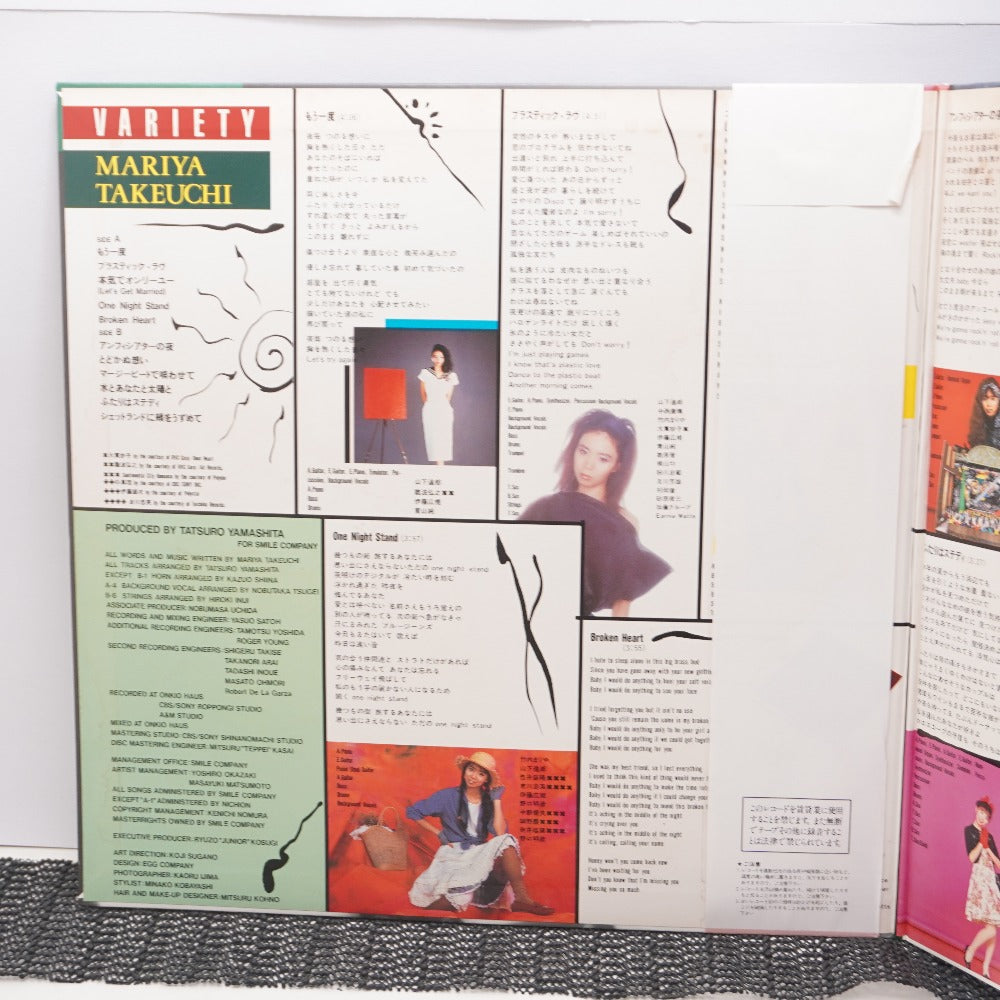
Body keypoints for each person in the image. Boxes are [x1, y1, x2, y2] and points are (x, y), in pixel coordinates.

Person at [518, 409, 671, 617]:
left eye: (603, 458)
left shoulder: (624, 523)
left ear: (616, 466)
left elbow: (622, 603)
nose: (588, 465)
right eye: (583, 451)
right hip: (536, 617)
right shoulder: (545, 508)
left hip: (583, 624)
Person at [405, 751, 554, 916]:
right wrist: (438, 832)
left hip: (478, 854)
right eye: (471, 769)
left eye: (481, 774)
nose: (474, 776)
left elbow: (500, 833)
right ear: (465, 770)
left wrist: (496, 800)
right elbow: (413, 811)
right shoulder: (447, 796)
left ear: (486, 780)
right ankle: (424, 915)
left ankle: (522, 899)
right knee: (456, 900)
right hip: (453, 853)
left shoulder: (488, 801)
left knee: (507, 840)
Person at [963, 797, 1000, 979]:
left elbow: (999, 864)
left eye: (986, 815)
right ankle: (971, 950)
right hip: (980, 881)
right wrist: (980, 843)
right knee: (991, 928)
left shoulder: (990, 836)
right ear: (976, 810)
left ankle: (985, 969)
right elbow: (971, 858)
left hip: (991, 881)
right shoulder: (968, 831)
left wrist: (988, 846)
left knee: (993, 927)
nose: (982, 817)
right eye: (980, 812)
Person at [417, 344, 459, 465]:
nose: (438, 359)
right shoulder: (425, 373)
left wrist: (441, 407)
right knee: (433, 439)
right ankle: (439, 467)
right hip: (430, 409)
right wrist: (430, 406)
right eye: (435, 356)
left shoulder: (450, 375)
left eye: (441, 357)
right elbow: (423, 394)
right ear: (431, 357)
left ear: (445, 358)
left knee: (443, 440)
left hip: (444, 410)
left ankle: (441, 467)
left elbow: (448, 397)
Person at [968, 377, 1000, 450]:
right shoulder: (978, 423)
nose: (988, 404)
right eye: (985, 399)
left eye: (993, 399)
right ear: (980, 402)